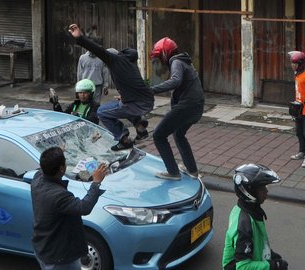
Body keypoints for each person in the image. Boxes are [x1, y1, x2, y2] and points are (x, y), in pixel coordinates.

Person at [68, 24, 153, 151]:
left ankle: (123, 139)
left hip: (134, 104)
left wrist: (80, 38)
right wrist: (124, 95)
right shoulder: (132, 66)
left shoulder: (116, 60)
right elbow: (136, 87)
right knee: (123, 105)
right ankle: (141, 129)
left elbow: (99, 50)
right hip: (145, 102)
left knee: (101, 111)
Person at [31, 146, 107, 269]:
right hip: (58, 257)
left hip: (43, 248)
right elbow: (84, 207)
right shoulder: (58, 195)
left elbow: (42, 168)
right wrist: (96, 182)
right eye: (65, 162)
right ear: (62, 169)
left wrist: (57, 154)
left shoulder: (37, 179)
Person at [148, 37, 205, 180]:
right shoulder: (185, 61)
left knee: (158, 136)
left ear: (165, 54)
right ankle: (192, 171)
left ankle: (173, 172)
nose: (160, 61)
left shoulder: (176, 62)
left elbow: (175, 81)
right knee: (178, 134)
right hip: (196, 107)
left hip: (187, 106)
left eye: (160, 57)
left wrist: (151, 90)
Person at [222, 163, 289, 270]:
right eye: (262, 188)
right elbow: (242, 266)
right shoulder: (244, 224)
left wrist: (269, 253)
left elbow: (255, 241)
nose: (266, 191)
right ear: (249, 192)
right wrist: (272, 266)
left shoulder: (245, 209)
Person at [288, 51, 305, 168]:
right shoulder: (297, 75)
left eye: (295, 63)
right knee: (299, 132)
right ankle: (302, 151)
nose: (292, 65)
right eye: (292, 63)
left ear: (301, 64)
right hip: (298, 109)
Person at [77, 38, 110, 104]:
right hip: (85, 86)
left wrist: (106, 85)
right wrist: (79, 86)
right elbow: (79, 72)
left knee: (96, 104)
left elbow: (105, 72)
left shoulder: (102, 58)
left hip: (97, 86)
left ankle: (94, 114)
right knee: (85, 104)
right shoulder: (83, 58)